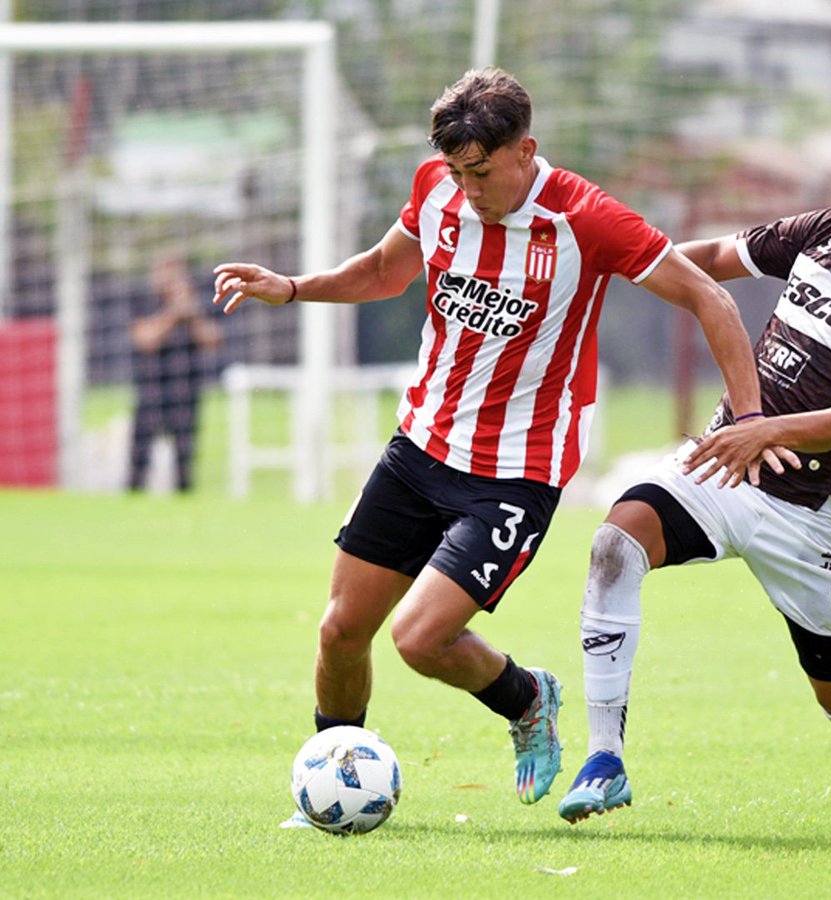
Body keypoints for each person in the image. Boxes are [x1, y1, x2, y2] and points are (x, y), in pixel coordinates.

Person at [211, 68, 763, 812]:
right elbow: (382, 272)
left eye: (482, 171)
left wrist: (750, 418)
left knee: (419, 639)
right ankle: (326, 786)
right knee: (342, 630)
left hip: (515, 473)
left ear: (526, 150)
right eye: (456, 172)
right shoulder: (435, 189)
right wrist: (294, 286)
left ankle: (528, 699)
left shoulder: (585, 219)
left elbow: (708, 294)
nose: (468, 188)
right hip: (420, 446)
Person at [558, 122, 831, 824]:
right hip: (726, 468)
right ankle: (605, 759)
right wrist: (617, 266)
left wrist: (761, 432)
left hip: (811, 515)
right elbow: (712, 259)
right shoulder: (825, 233)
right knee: (616, 542)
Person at [128, 254, 222, 492]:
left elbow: (213, 341)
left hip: (185, 393)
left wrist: (191, 315)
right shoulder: (144, 302)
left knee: (184, 462)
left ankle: (183, 499)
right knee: (139, 459)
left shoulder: (197, 306)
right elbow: (144, 339)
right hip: (150, 391)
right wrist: (173, 313)